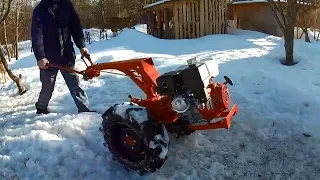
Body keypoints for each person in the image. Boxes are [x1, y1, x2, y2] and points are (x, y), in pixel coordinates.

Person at [31, 0, 95, 114]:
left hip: (66, 56)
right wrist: (40, 57)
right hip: (48, 59)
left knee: (75, 85)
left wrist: (82, 46)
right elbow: (36, 36)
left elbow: (76, 27)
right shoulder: (39, 10)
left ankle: (84, 110)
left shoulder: (66, 5)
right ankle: (41, 108)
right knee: (47, 87)